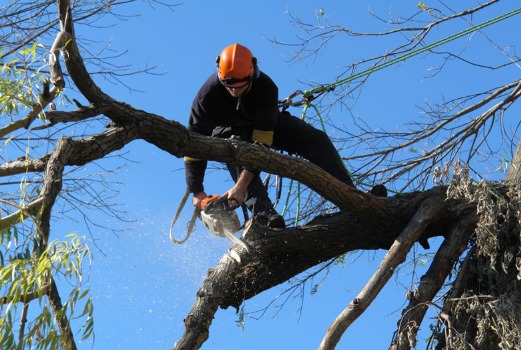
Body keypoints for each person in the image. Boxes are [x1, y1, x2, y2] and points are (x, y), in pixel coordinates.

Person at [184, 43, 356, 229]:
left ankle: (352, 196)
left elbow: (261, 146)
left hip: (261, 126)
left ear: (251, 74)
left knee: (316, 139)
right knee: (234, 148)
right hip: (228, 133)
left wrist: (240, 187)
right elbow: (193, 143)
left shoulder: (266, 88)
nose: (234, 91)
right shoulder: (207, 97)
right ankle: (265, 214)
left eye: (240, 86)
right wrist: (196, 191)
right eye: (229, 86)